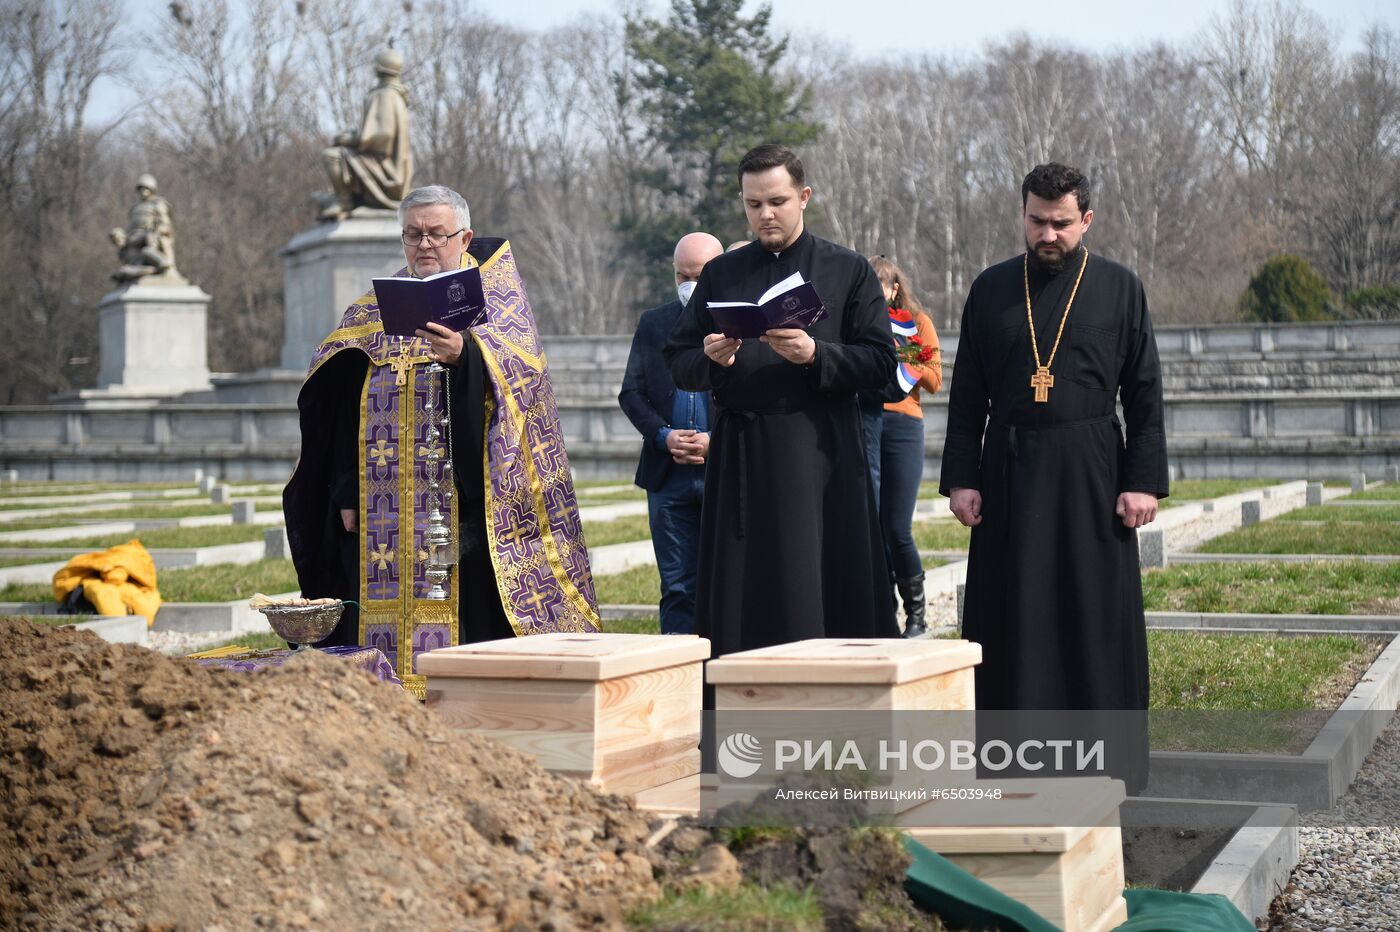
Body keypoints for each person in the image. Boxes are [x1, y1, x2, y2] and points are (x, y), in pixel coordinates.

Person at [284, 185, 600, 698]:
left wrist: (465, 357)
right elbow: (339, 405)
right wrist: (345, 490)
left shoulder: (497, 304)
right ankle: (387, 698)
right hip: (383, 508)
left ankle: (463, 702)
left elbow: (524, 387)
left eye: (437, 233)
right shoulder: (370, 311)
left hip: (467, 502)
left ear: (465, 237)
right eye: (413, 234)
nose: (424, 244)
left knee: (467, 604)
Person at [939, 163, 1166, 786]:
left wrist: (1141, 481)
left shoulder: (1121, 287)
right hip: (1009, 471)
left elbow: (1144, 394)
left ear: (1085, 220)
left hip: (1093, 474)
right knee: (1013, 616)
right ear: (1023, 216)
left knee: (1092, 613)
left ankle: (1105, 763)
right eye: (1037, 220)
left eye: (1061, 222)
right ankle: (1013, 759)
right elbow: (967, 396)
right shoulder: (990, 290)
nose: (1048, 233)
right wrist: (961, 477)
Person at [664, 144, 899, 660]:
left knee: (817, 575)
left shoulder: (847, 269)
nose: (765, 214)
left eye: (777, 201)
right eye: (753, 204)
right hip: (744, 452)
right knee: (746, 588)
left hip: (821, 449)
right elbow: (679, 359)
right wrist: (713, 360)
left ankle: (835, 688)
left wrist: (817, 355)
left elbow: (882, 364)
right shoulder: (723, 274)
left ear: (804, 197)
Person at [619, 232, 724, 635]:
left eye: (698, 276)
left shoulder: (739, 324)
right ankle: (679, 670)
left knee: (726, 579)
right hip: (668, 476)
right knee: (678, 584)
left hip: (723, 470)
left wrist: (715, 440)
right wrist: (663, 436)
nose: (689, 285)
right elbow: (631, 392)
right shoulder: (655, 322)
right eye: (682, 275)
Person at [866, 256, 943, 638]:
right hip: (865, 422)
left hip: (903, 424)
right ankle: (884, 613)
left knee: (897, 527)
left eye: (880, 284)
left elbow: (933, 381)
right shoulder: (860, 323)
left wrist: (903, 354)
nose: (875, 292)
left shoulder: (918, 326)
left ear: (895, 288)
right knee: (872, 525)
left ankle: (917, 614)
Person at [319, 49, 413, 220]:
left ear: (378, 69)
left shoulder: (384, 94)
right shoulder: (396, 95)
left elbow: (381, 135)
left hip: (384, 167)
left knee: (332, 156)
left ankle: (344, 200)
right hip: (387, 163)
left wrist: (352, 140)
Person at [109, 174, 177, 282]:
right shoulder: (136, 208)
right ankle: (136, 269)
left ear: (152, 189)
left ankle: (162, 263)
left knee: (147, 249)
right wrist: (121, 235)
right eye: (140, 188)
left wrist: (156, 231)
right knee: (125, 248)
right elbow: (130, 228)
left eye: (146, 188)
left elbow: (166, 226)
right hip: (134, 238)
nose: (143, 191)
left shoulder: (158, 204)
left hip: (150, 237)